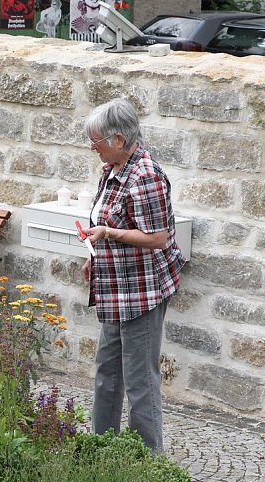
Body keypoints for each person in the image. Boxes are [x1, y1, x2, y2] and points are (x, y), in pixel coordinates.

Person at [79, 98, 185, 454]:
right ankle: (102, 449)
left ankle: (147, 461)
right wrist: (96, 257)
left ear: (119, 139)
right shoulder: (112, 168)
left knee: (140, 381)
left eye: (97, 142)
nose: (93, 148)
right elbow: (104, 218)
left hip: (142, 293)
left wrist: (109, 235)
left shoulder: (146, 176)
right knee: (107, 373)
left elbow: (157, 238)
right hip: (113, 289)